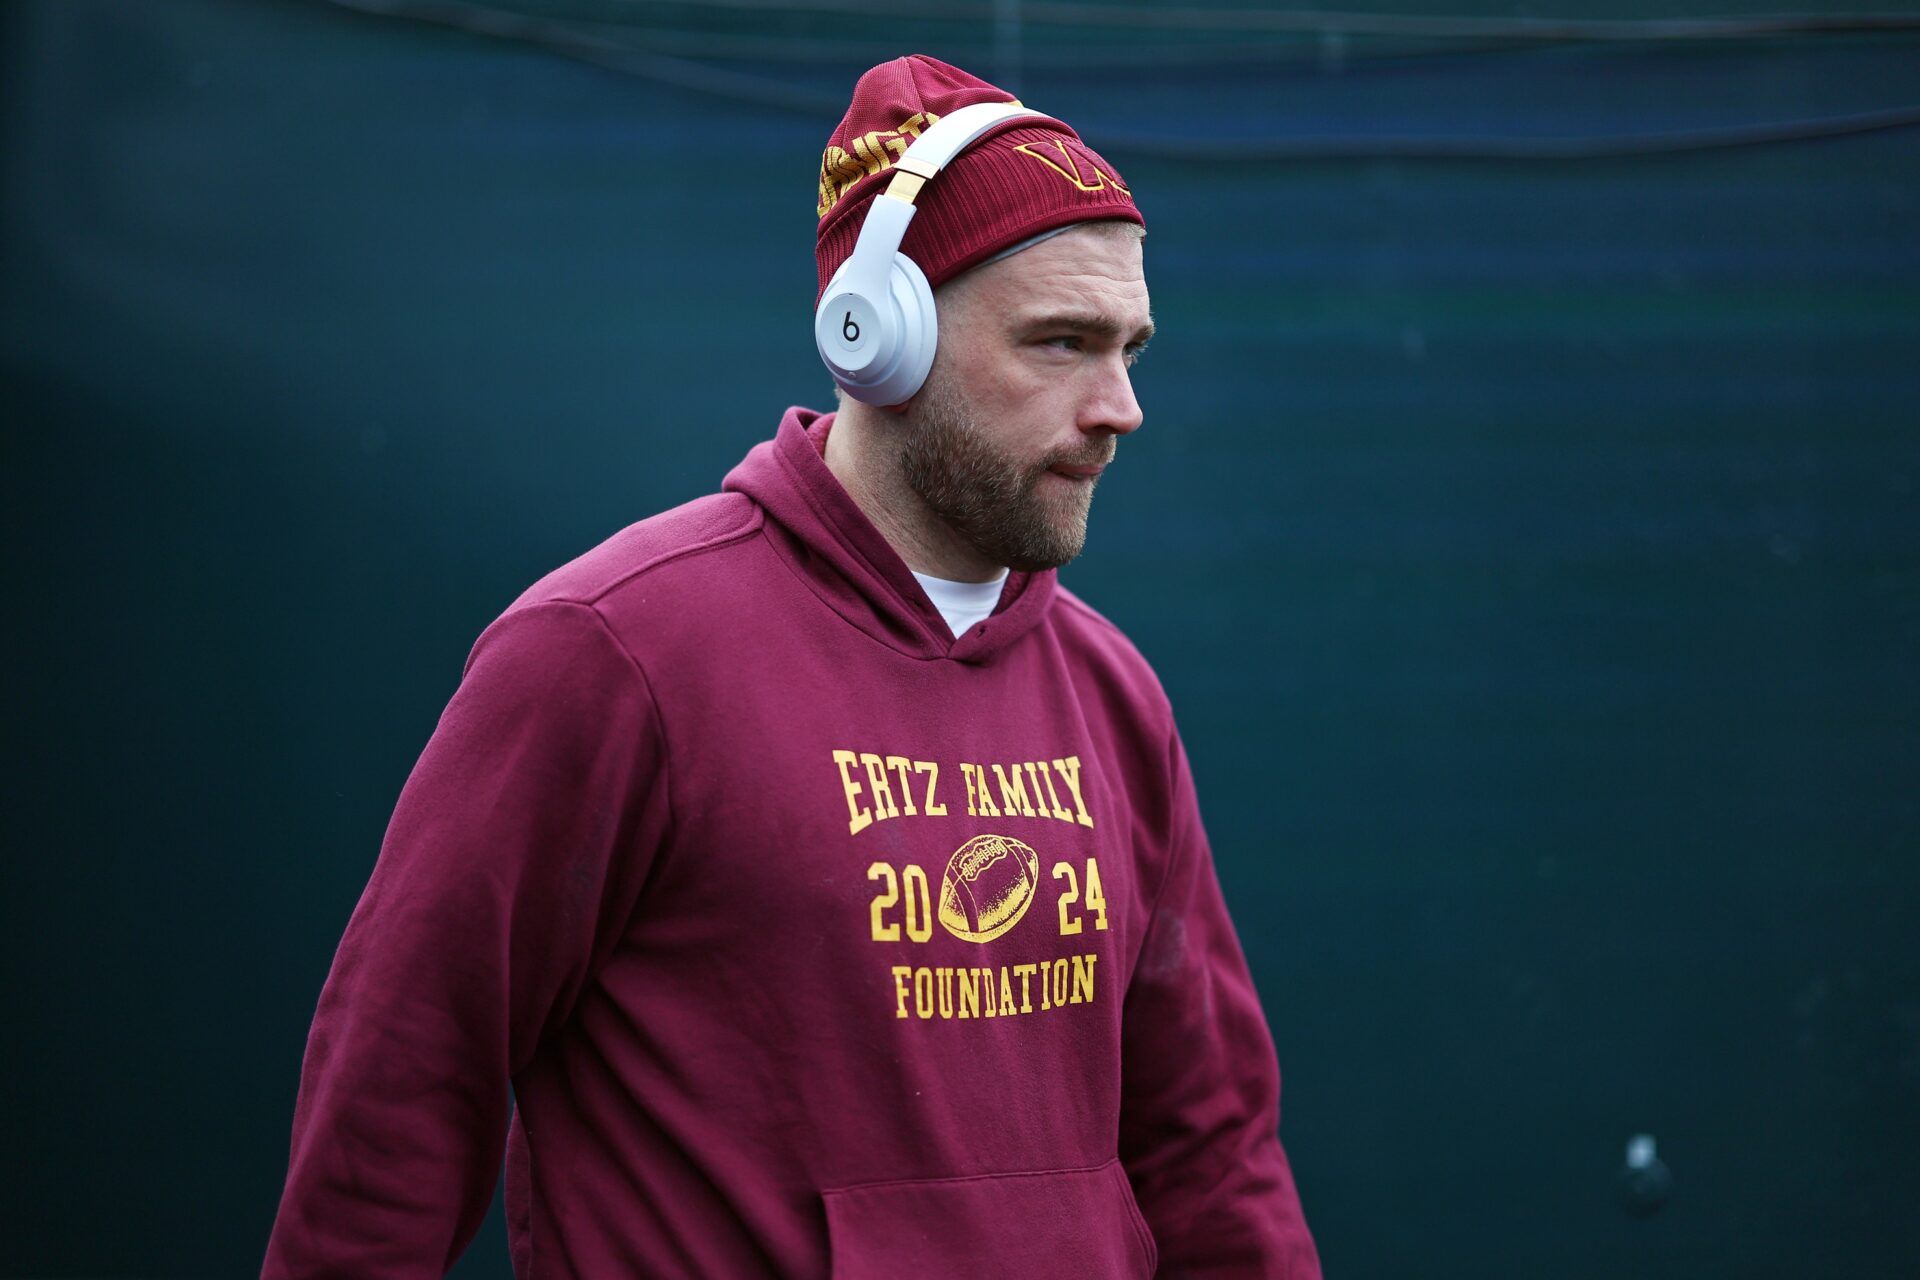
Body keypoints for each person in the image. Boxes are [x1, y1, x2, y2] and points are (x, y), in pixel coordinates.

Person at [262, 53, 1321, 1279]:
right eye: (1063, 343)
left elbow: (1211, 1151)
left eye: (1133, 347)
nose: (1120, 404)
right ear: (879, 339)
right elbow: (399, 1085)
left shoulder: (1113, 694)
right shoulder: (612, 649)